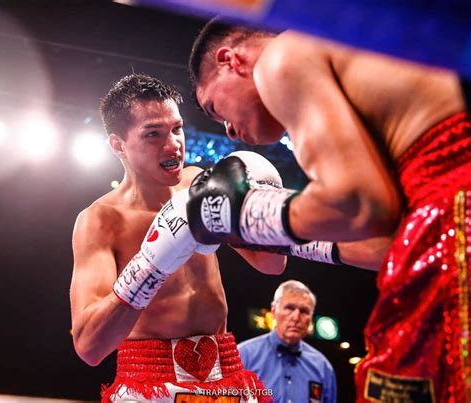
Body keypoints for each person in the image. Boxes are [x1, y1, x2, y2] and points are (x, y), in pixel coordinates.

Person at [187, 19, 471, 401]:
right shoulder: (360, 72)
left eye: (214, 107)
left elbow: (358, 205)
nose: (229, 132)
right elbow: (389, 243)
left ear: (230, 60)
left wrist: (252, 216)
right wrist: (271, 232)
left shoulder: (282, 58)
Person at [69, 73, 287, 403]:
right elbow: (89, 346)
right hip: (150, 381)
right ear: (118, 145)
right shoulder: (101, 221)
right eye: (153, 134)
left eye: (176, 128)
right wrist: (151, 263)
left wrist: (264, 207)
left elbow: (273, 264)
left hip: (226, 373)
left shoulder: (197, 185)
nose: (173, 144)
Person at [238, 280, 336, 403]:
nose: (296, 317)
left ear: (310, 318)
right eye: (289, 308)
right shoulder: (242, 356)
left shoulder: (322, 367)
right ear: (274, 311)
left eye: (304, 311)